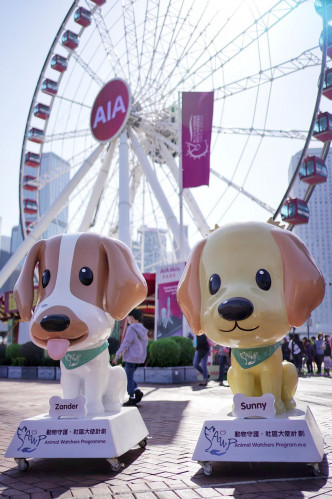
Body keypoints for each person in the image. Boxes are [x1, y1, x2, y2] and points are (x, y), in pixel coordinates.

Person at [113, 308, 148, 406]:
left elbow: (125, 344)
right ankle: (137, 391)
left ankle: (132, 398)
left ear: (131, 317)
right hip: (138, 358)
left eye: (128, 317)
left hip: (131, 358)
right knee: (129, 377)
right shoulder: (142, 329)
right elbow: (145, 344)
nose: (127, 319)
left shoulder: (131, 329)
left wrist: (117, 356)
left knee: (127, 377)